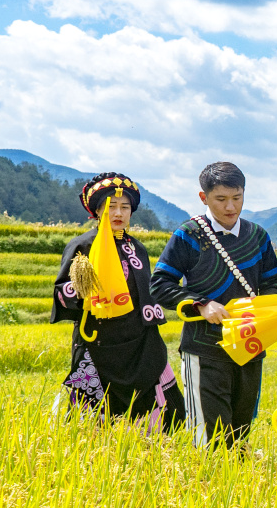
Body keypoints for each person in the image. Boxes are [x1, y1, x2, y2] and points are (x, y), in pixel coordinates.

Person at [150, 162, 277, 448]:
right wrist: (201, 305)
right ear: (204, 198)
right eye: (221, 199)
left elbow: (274, 282)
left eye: (237, 198)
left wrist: (262, 306)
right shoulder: (189, 235)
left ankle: (235, 489)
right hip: (204, 348)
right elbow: (160, 284)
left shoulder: (258, 236)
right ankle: (205, 488)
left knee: (240, 432)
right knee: (210, 437)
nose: (230, 207)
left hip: (249, 346)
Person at [52, 172, 185, 430]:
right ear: (98, 211)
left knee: (157, 408)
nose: (118, 213)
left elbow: (146, 293)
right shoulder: (83, 246)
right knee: (91, 420)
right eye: (111, 206)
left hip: (139, 342)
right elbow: (62, 291)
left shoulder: (137, 248)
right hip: (98, 341)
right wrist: (81, 289)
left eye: (125, 207)